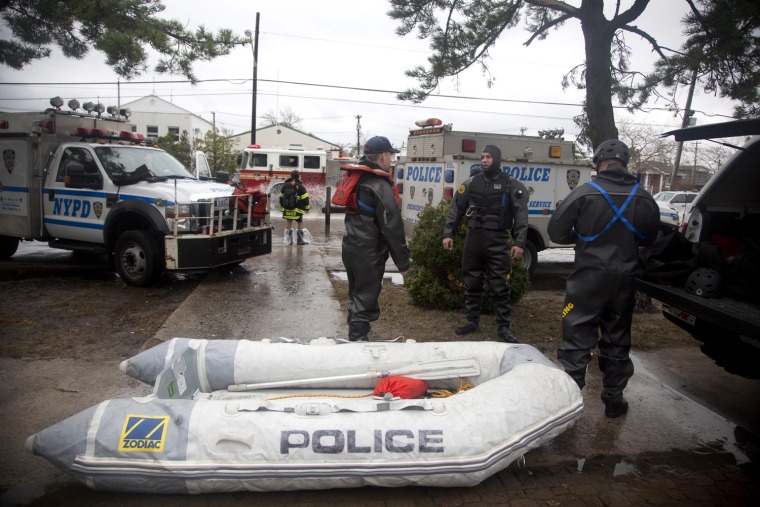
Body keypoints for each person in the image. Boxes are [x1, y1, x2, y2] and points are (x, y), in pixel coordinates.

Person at [548, 139, 660, 418]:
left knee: (576, 335)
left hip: (587, 280)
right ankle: (613, 398)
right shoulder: (644, 197)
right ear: (625, 163)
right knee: (618, 335)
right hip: (623, 281)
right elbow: (650, 238)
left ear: (599, 162)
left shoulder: (585, 192)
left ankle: (571, 402)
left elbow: (556, 234)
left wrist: (584, 236)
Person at [442, 145, 529, 343]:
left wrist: (519, 242)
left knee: (499, 285)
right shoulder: (471, 183)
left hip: (498, 241)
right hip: (474, 240)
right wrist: (448, 233)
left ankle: (503, 328)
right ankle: (472, 321)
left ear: (497, 159)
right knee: (472, 282)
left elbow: (521, 216)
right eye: (482, 157)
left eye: (488, 157)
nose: (484, 160)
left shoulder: (511, 185)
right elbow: (456, 209)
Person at [340, 136, 411, 342]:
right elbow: (392, 228)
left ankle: (354, 337)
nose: (391, 159)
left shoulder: (356, 178)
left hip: (350, 247)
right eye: (391, 154)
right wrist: (403, 264)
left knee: (356, 295)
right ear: (383, 155)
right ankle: (358, 342)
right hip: (367, 253)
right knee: (365, 298)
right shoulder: (379, 184)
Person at [279, 170, 310, 245]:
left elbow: (281, 198)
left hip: (287, 209)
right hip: (297, 210)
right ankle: (300, 240)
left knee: (289, 222)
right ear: (298, 176)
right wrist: (307, 208)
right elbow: (305, 199)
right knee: (300, 222)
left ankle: (288, 241)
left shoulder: (285, 185)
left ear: (291, 176)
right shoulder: (300, 186)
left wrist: (282, 208)